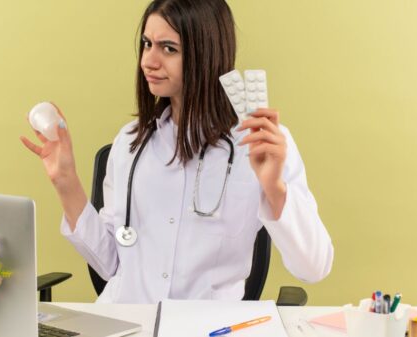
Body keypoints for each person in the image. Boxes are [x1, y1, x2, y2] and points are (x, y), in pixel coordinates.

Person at [21, 0, 333, 304]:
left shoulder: (261, 143)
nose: (148, 61)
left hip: (207, 326)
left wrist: (275, 190)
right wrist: (66, 181)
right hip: (128, 323)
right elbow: (110, 264)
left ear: (205, 55)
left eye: (168, 48)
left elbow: (314, 267)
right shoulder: (130, 142)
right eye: (146, 44)